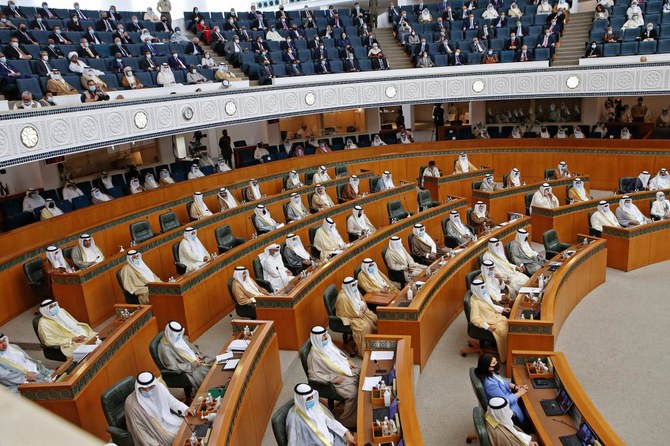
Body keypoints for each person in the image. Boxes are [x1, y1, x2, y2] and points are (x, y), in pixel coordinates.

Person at [306, 327, 360, 429]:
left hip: (344, 369)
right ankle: (347, 422)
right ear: (317, 339)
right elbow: (314, 375)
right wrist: (333, 378)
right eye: (323, 337)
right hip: (335, 378)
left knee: (362, 374)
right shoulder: (313, 355)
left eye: (326, 335)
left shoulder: (327, 343)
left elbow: (339, 354)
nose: (326, 337)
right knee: (353, 393)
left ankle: (360, 410)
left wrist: (347, 360)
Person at [125, 371, 195, 446]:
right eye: (144, 388)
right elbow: (139, 431)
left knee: (192, 427)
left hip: (171, 421)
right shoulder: (132, 404)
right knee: (183, 440)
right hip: (156, 431)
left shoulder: (159, 387)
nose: (148, 391)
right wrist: (155, 444)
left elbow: (171, 401)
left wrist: (185, 409)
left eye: (150, 387)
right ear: (138, 387)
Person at [286, 383, 356, 445]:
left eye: (312, 396)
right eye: (308, 398)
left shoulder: (314, 406)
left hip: (332, 440)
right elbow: (294, 442)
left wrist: (347, 432)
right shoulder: (294, 419)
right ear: (300, 399)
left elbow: (329, 421)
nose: (311, 400)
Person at [157, 320, 212, 390]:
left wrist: (196, 354)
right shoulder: (165, 348)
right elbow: (173, 366)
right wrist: (193, 364)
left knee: (213, 363)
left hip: (196, 360)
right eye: (177, 335)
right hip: (187, 368)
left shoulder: (178, 337)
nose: (180, 336)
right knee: (205, 373)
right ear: (171, 334)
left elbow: (190, 346)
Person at [336, 277, 377, 356]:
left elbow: (361, 301)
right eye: (353, 285)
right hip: (351, 316)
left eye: (355, 284)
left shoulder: (353, 290)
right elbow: (344, 312)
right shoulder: (343, 297)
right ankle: (365, 350)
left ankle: (374, 343)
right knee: (365, 327)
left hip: (360, 312)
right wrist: (357, 314)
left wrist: (363, 306)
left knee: (374, 317)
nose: (355, 286)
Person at [470, 280, 509, 359]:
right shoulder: (475, 302)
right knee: (504, 332)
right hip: (490, 323)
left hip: (496, 317)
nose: (484, 289)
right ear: (476, 289)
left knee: (511, 325)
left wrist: (502, 309)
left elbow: (492, 305)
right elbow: (474, 319)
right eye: (482, 287)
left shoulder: (482, 295)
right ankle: (507, 356)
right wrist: (487, 327)